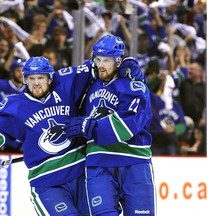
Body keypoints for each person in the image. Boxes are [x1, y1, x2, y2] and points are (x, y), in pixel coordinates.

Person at [0, 53, 144, 215]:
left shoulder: (66, 85)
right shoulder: (14, 107)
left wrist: (126, 62)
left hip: (82, 175)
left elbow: (99, 65)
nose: (36, 84)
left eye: (41, 78)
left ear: (50, 79)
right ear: (24, 80)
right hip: (48, 184)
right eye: (31, 79)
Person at [64, 34, 156, 215]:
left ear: (119, 61)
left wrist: (90, 128)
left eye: (106, 60)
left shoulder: (133, 85)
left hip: (134, 162)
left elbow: (128, 124)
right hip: (99, 162)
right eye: (98, 59)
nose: (101, 65)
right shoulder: (89, 84)